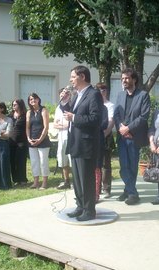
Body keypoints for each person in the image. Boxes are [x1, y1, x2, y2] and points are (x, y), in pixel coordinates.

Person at [63, 65, 102, 221]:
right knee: (77, 179)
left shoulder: (94, 95)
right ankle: (80, 206)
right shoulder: (77, 94)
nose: (71, 80)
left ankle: (89, 210)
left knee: (86, 178)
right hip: (75, 142)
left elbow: (96, 119)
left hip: (86, 143)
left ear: (82, 77)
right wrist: (65, 102)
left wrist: (74, 118)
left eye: (73, 76)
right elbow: (70, 113)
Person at [113, 68, 151, 205]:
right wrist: (121, 128)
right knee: (124, 167)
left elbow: (144, 116)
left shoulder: (143, 95)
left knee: (132, 166)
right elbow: (116, 115)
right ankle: (131, 191)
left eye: (127, 78)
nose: (124, 81)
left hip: (134, 137)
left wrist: (128, 128)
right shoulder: (120, 95)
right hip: (122, 136)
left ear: (134, 79)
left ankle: (130, 192)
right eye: (122, 78)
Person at [26, 93, 51, 190]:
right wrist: (28, 138)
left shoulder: (43, 110)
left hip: (43, 141)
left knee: (43, 162)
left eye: (34, 99)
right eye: (30, 99)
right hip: (32, 140)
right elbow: (27, 127)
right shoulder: (29, 112)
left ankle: (44, 183)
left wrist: (40, 139)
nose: (33, 101)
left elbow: (46, 127)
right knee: (34, 162)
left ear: (38, 99)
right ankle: (35, 182)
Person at [96, 83, 115, 199]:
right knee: (96, 164)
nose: (101, 92)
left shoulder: (110, 105)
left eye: (103, 89)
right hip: (95, 137)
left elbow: (111, 122)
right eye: (99, 90)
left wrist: (104, 134)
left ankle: (106, 188)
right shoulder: (95, 104)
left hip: (106, 137)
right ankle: (96, 188)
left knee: (106, 164)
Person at [53, 87, 74, 190]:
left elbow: (69, 124)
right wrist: (62, 125)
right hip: (61, 137)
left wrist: (61, 125)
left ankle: (76, 181)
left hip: (70, 136)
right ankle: (66, 181)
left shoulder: (71, 106)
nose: (62, 96)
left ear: (68, 95)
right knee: (62, 159)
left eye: (64, 94)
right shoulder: (58, 108)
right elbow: (55, 124)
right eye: (61, 94)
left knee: (71, 159)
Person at [9, 99, 28, 186]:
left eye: (15, 104)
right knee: (12, 161)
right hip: (11, 141)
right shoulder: (10, 115)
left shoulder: (25, 115)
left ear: (20, 105)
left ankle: (23, 179)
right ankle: (16, 179)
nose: (13, 106)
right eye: (13, 104)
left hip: (22, 141)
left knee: (21, 161)